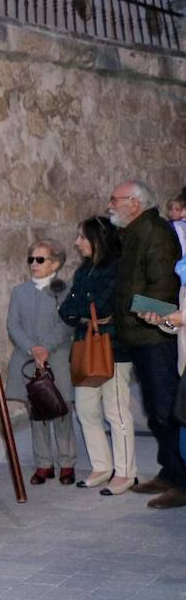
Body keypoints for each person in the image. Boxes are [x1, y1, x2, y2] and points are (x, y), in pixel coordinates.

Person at [108, 180, 186, 508]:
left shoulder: (154, 231)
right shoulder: (136, 230)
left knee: (169, 411)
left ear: (135, 203)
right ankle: (169, 471)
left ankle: (182, 482)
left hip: (155, 337)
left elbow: (164, 286)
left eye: (116, 199)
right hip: (139, 333)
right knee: (155, 412)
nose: (110, 204)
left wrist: (145, 313)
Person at [59, 216, 136, 494]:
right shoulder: (83, 272)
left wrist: (86, 312)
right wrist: (87, 313)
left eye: (82, 237)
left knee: (115, 411)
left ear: (97, 239)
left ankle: (126, 472)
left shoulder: (118, 269)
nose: (77, 243)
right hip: (84, 348)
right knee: (86, 410)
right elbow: (66, 310)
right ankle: (102, 466)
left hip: (114, 348)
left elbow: (102, 305)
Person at [6, 237, 77, 485]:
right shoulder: (19, 291)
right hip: (28, 362)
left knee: (62, 411)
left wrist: (45, 348)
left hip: (56, 359)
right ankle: (43, 464)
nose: (34, 264)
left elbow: (67, 323)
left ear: (55, 263)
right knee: (37, 413)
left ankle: (67, 463)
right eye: (31, 259)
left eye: (40, 259)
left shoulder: (66, 290)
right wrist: (32, 348)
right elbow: (12, 325)